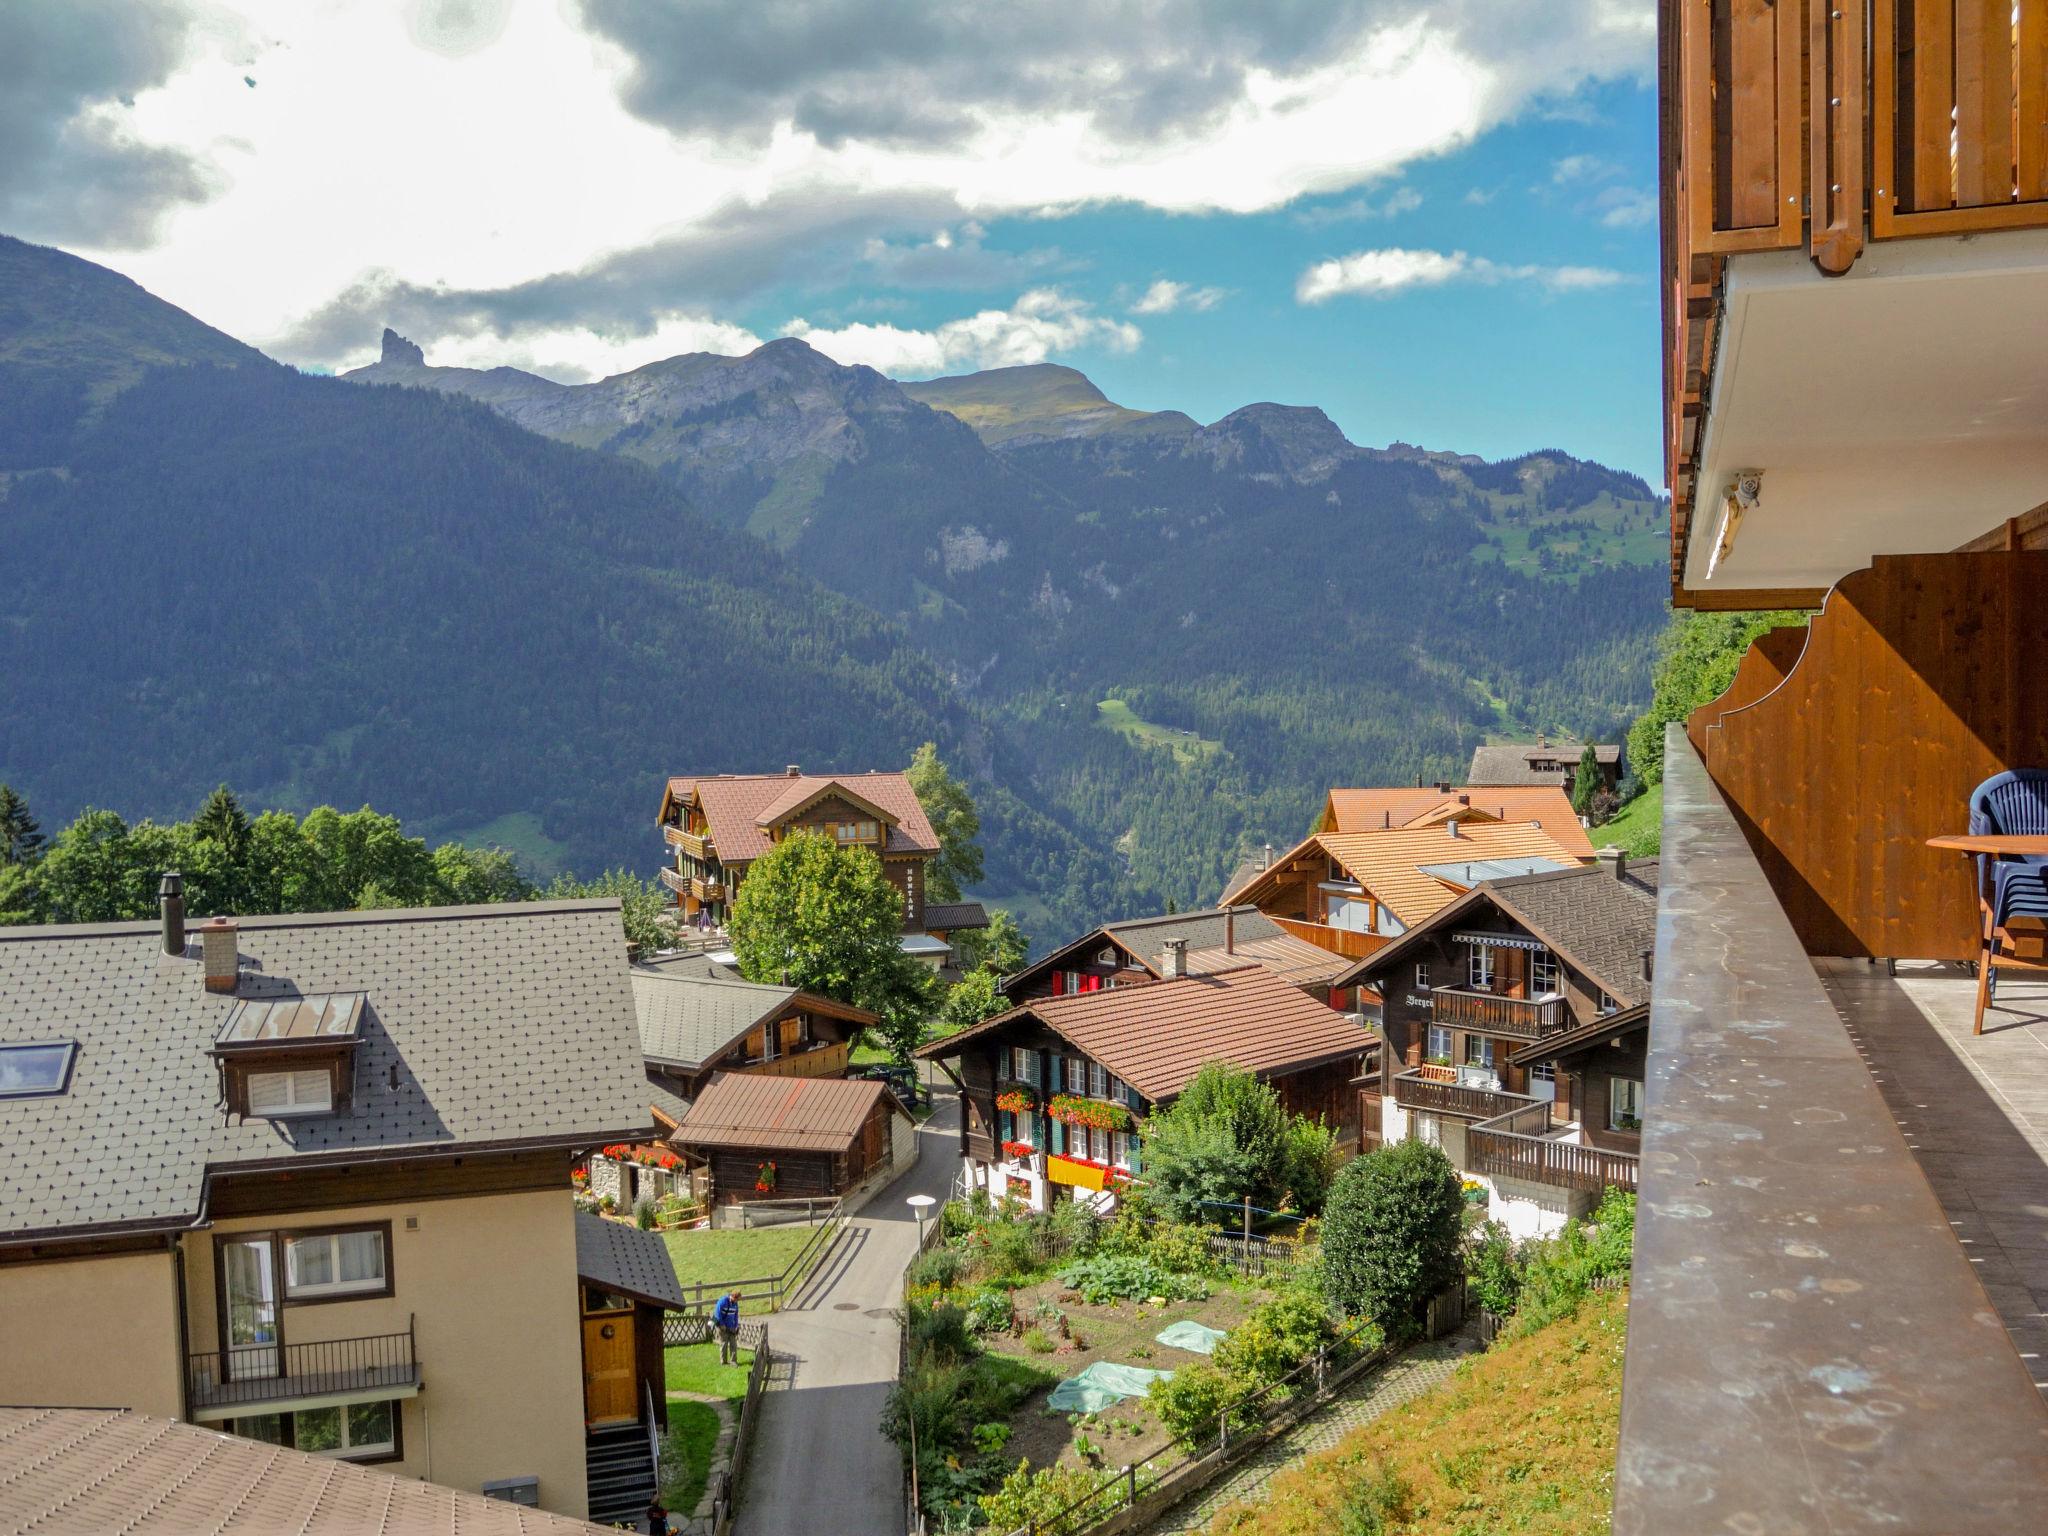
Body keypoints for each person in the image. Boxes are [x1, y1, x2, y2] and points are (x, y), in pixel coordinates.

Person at [712, 1289, 741, 1364]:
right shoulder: (722, 1301)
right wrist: (721, 1324)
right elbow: (717, 1314)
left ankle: (733, 1361)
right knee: (724, 1344)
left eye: (738, 1300)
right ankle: (723, 1361)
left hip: (731, 1326)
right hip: (722, 1326)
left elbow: (735, 1315)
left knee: (733, 1344)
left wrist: (736, 1326)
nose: (737, 1301)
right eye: (736, 1299)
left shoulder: (735, 1304)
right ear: (732, 1296)